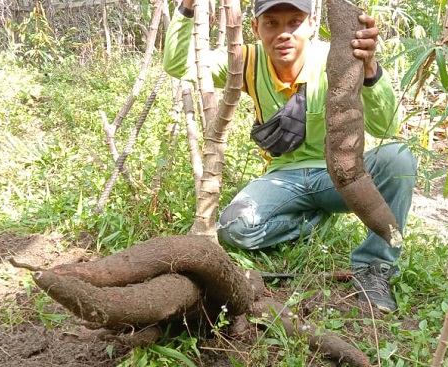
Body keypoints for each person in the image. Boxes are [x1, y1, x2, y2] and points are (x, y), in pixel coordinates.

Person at [163, 0, 417, 313]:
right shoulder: (246, 61)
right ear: (255, 28)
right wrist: (187, 8)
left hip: (340, 179)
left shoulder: (337, 57)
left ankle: (375, 266)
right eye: (272, 23)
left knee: (400, 158)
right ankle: (314, 223)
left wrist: (369, 69)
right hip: (282, 179)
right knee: (233, 227)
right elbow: (178, 65)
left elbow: (388, 126)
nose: (284, 33)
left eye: (294, 22)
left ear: (312, 24)